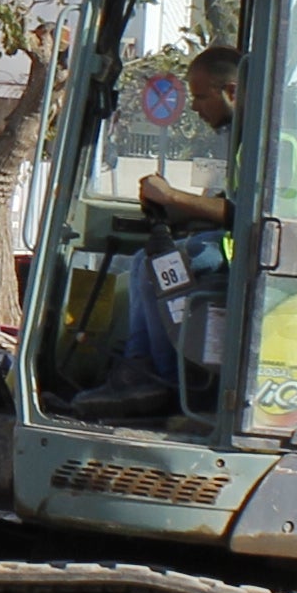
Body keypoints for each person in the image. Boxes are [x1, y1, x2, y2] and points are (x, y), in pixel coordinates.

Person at [69, 41, 242, 423]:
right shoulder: (241, 143)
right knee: (146, 263)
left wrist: (174, 195)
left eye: (200, 96)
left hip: (245, 257)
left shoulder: (270, 145)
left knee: (155, 270)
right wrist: (175, 209)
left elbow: (244, 217)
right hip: (232, 247)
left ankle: (161, 380)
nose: (195, 107)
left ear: (230, 91)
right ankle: (138, 366)